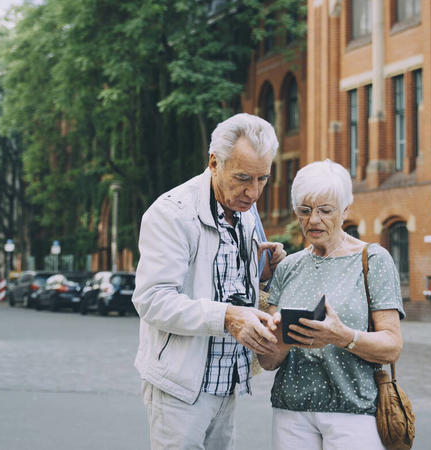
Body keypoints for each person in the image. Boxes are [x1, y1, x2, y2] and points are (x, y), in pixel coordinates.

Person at [133, 113, 287, 450]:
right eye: (243, 178)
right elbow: (152, 300)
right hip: (179, 387)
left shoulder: (245, 215)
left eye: (263, 179)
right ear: (214, 162)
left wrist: (263, 275)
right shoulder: (171, 213)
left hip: (227, 382)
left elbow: (225, 285)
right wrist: (228, 318)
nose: (254, 192)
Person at [257, 159, 405, 450]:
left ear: (345, 210)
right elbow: (268, 361)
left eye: (325, 210)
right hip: (291, 411)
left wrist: (342, 336)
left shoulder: (373, 260)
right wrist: (281, 339)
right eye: (305, 210)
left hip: (353, 411)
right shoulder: (289, 267)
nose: (313, 220)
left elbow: (392, 346)